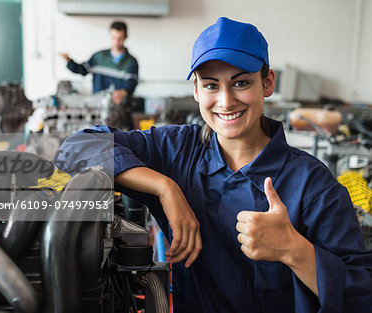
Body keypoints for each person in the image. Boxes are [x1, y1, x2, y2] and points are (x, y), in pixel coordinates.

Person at [55, 17, 372, 312]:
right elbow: (77, 146)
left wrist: (295, 251)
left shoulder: (313, 186)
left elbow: (362, 294)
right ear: (195, 90)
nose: (225, 101)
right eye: (210, 85)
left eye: (241, 83)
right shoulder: (178, 152)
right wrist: (166, 188)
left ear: (268, 83)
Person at [59, 21, 138, 128]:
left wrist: (124, 92)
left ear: (125, 37)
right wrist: (69, 61)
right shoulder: (98, 57)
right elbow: (83, 70)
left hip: (120, 113)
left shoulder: (131, 62)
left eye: (120, 38)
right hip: (98, 110)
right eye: (114, 38)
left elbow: (132, 83)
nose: (116, 42)